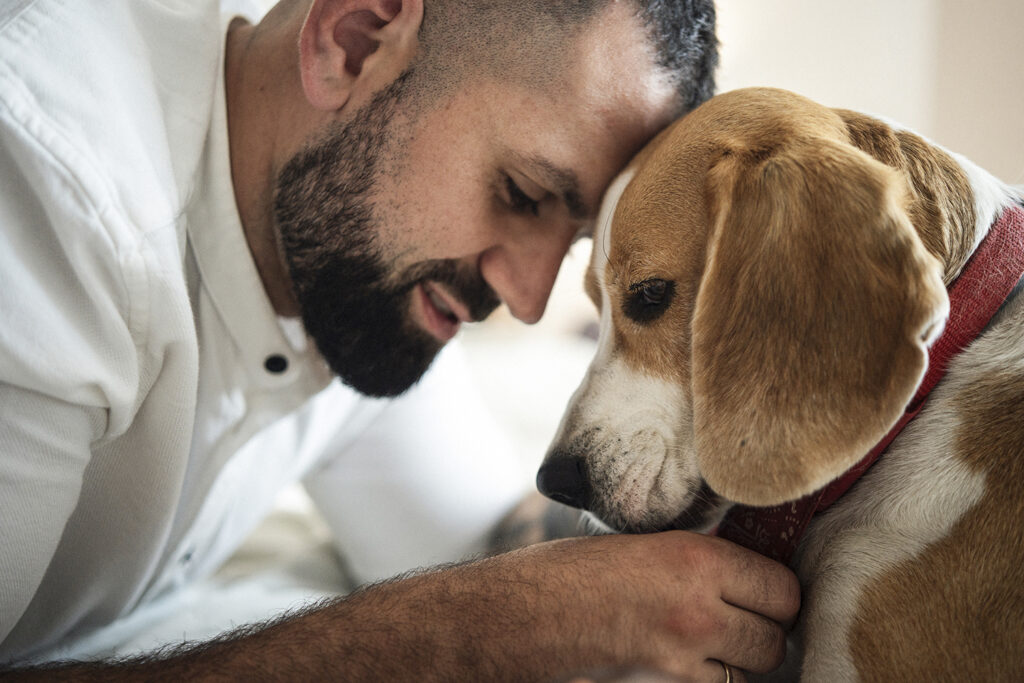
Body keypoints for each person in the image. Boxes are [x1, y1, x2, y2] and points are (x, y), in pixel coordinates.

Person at [0, 0, 799, 679]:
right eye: (520, 193)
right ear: (355, 40)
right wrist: (508, 624)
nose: (524, 300)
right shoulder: (47, 184)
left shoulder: (347, 269)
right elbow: (516, 604)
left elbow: (490, 540)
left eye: (576, 237)